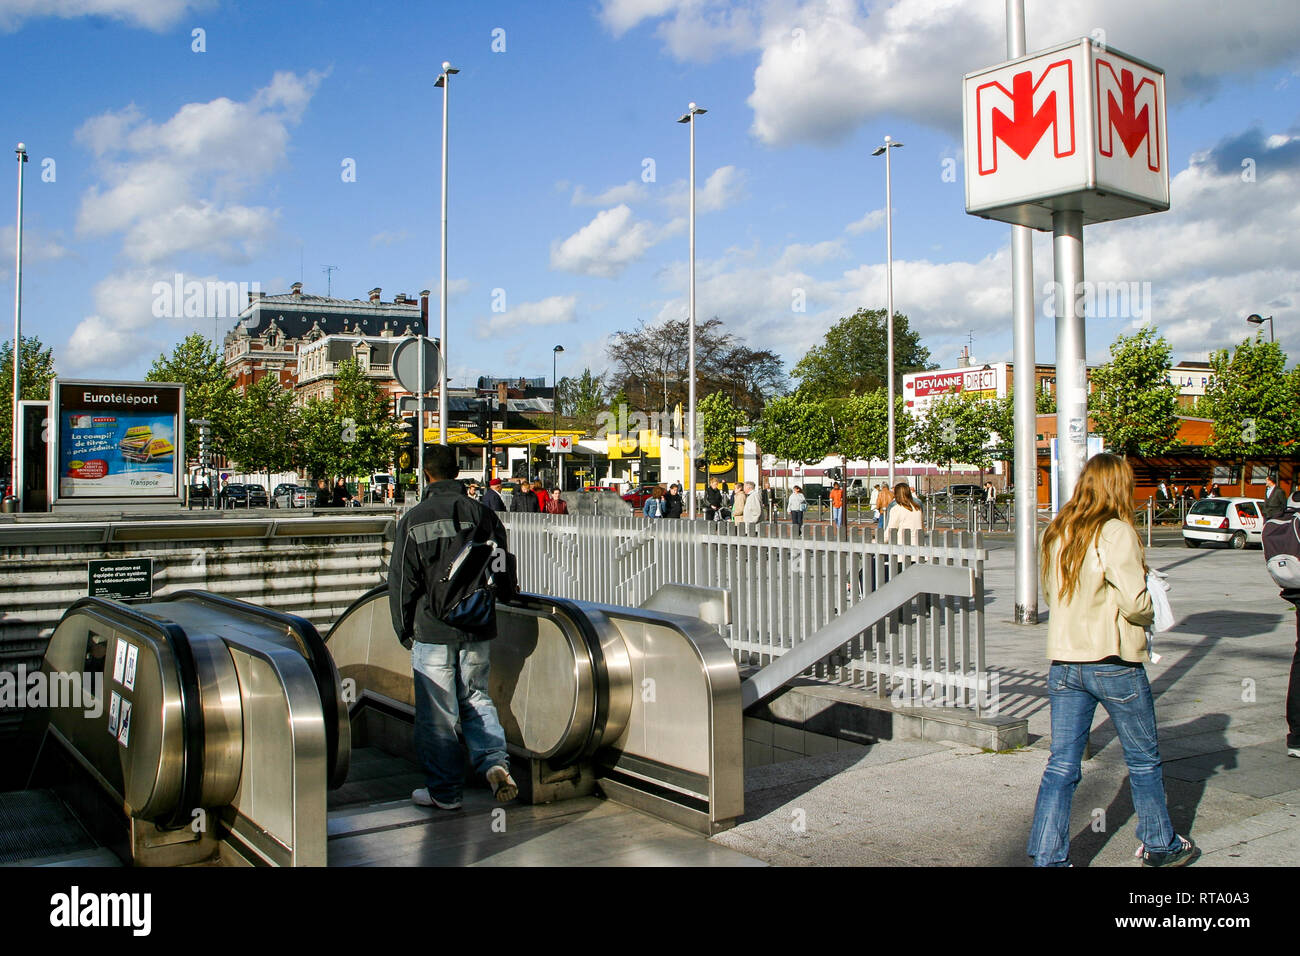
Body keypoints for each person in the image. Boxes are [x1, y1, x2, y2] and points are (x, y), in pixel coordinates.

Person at [1027, 452, 1195, 867]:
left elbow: (1052, 596)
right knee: (1142, 758)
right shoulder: (1116, 530)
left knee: (1061, 765)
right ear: (1118, 486)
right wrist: (1152, 606)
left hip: (1065, 662)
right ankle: (1159, 843)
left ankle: (1049, 857)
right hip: (1113, 659)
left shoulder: (1058, 529)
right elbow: (1134, 603)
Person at [388, 444, 519, 811]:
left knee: (438, 711)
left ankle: (444, 792)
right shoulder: (483, 514)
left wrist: (404, 629)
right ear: (457, 472)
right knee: (477, 696)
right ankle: (494, 762)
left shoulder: (414, 519)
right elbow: (501, 564)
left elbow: (402, 582)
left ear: (425, 473)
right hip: (477, 625)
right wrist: (506, 596)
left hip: (432, 628)